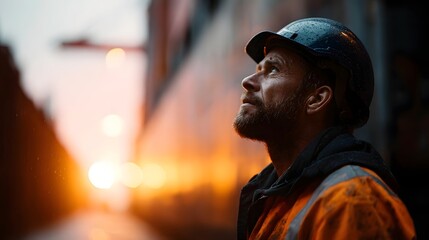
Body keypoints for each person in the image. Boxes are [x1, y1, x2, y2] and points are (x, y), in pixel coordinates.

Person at [233, 17, 416, 240]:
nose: (247, 81)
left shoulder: (352, 200)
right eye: (258, 69)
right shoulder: (277, 197)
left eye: (273, 69)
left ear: (317, 99)